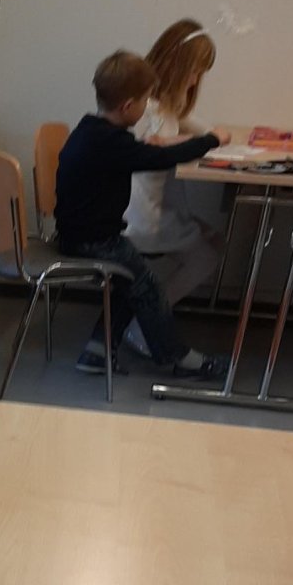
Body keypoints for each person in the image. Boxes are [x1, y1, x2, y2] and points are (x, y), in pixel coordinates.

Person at [55, 50, 230, 379]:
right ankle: (177, 358)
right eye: (145, 100)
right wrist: (211, 140)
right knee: (147, 287)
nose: (148, 105)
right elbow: (158, 158)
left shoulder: (91, 130)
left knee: (130, 281)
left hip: (78, 234)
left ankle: (96, 352)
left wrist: (171, 142)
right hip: (96, 241)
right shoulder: (113, 143)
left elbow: (150, 151)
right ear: (127, 107)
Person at [124, 20, 225, 355]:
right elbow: (154, 145)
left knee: (212, 241)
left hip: (149, 210)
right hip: (138, 217)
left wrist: (213, 136)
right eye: (194, 72)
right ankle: (144, 324)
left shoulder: (163, 106)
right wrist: (206, 139)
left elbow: (206, 131)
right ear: (178, 67)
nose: (196, 81)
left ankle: (145, 318)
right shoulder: (148, 111)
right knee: (206, 255)